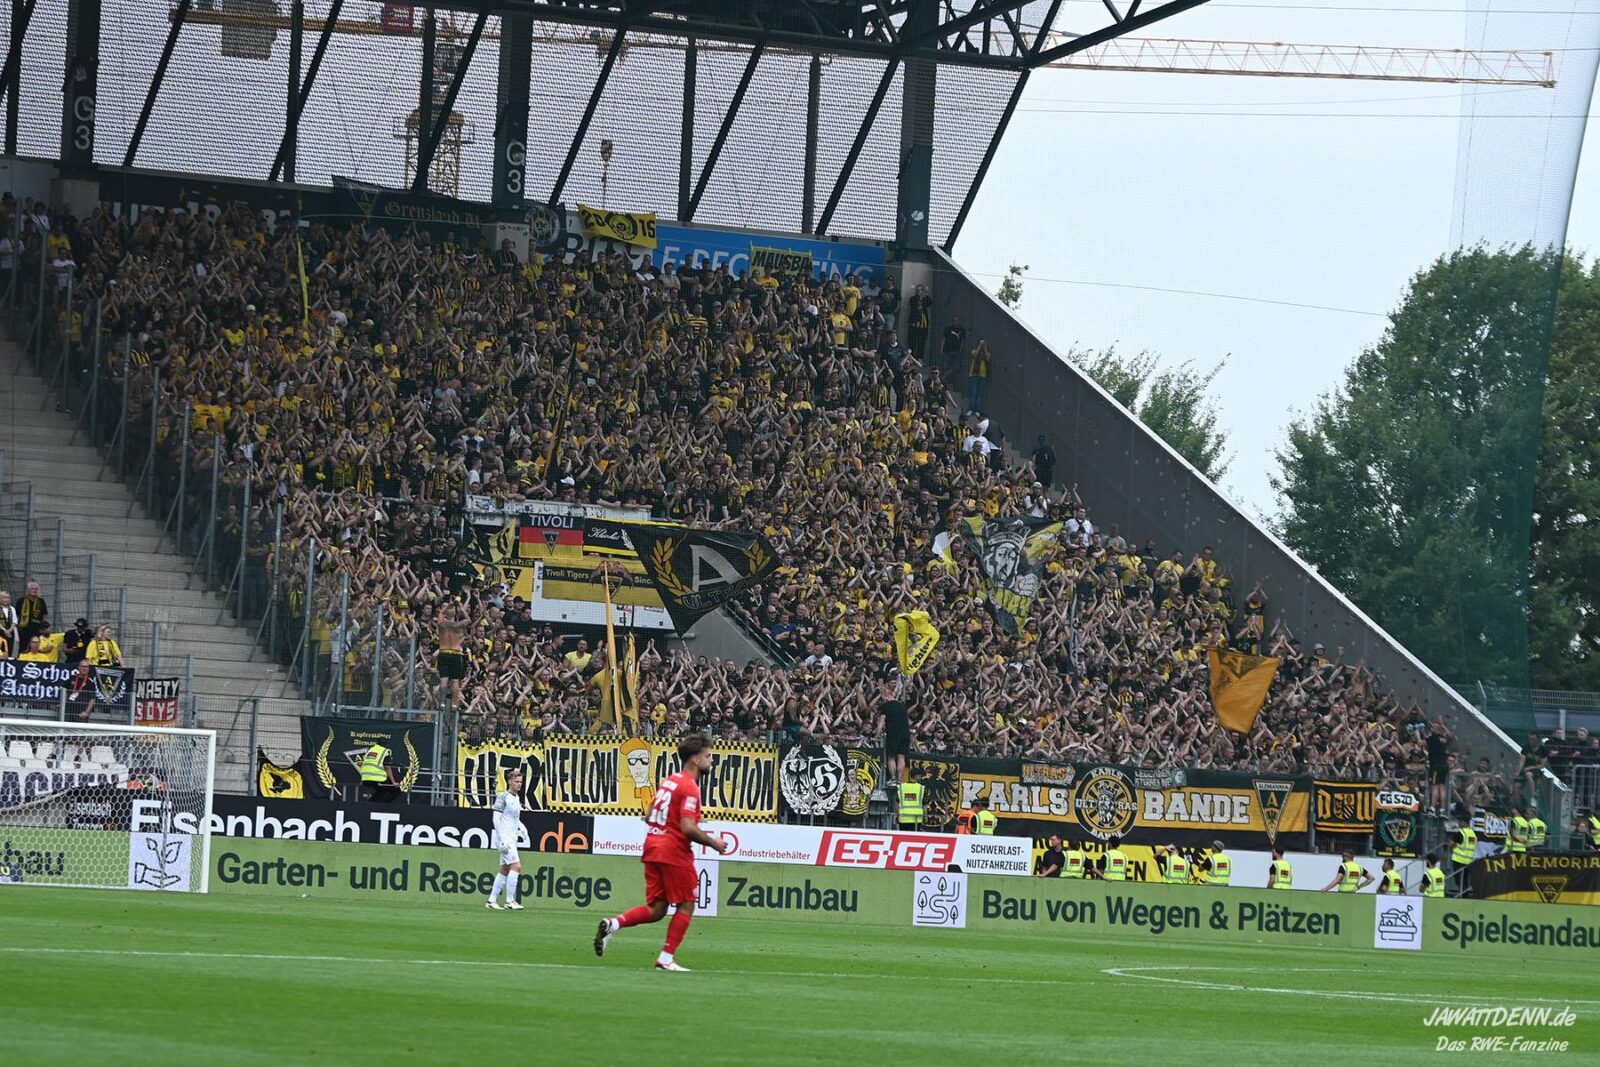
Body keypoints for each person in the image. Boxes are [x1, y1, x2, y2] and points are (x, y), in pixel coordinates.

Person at [593, 734, 731, 972]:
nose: (711, 760)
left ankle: (613, 924)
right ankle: (666, 958)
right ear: (695, 760)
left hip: (652, 847)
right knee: (687, 904)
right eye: (708, 756)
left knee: (658, 909)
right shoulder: (690, 787)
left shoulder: (670, 781)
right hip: (673, 851)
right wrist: (713, 842)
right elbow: (687, 828)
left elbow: (649, 814)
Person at [486, 770, 526, 911]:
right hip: (505, 838)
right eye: (516, 781)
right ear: (509, 781)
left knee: (504, 869)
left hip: (511, 837)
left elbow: (515, 818)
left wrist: (522, 828)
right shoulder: (503, 797)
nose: (519, 784)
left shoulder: (516, 798)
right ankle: (510, 901)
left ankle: (491, 900)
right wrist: (502, 838)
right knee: (517, 866)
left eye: (520, 782)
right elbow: (496, 818)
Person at [877, 678, 910, 783]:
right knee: (901, 756)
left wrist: (877, 734)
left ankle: (893, 778)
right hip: (905, 734)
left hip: (893, 734)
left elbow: (882, 721)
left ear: (886, 697)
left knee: (891, 757)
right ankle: (899, 779)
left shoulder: (886, 706)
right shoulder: (902, 706)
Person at [437, 613, 466, 709]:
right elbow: (469, 620)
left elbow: (439, 617)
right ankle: (454, 704)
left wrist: (444, 609)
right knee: (455, 681)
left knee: (443, 681)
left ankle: (441, 702)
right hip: (455, 653)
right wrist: (461, 609)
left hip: (444, 652)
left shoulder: (443, 625)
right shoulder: (458, 626)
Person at [1449, 821, 1478, 897]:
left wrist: (1454, 848)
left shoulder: (1461, 833)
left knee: (1458, 879)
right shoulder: (1473, 834)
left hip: (1458, 859)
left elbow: (1451, 844)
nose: (1459, 823)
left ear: (1464, 822)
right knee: (1465, 879)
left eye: (1460, 821)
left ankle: (1463, 894)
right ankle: (1465, 894)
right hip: (1469, 861)